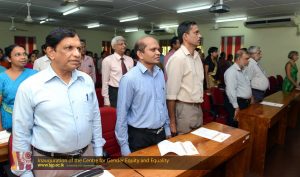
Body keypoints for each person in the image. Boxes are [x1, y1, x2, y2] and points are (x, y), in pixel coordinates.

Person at [11, 28, 105, 177]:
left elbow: (95, 119)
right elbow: (21, 134)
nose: (77, 54)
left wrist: (98, 152)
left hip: (86, 156)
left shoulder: (86, 80)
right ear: (51, 52)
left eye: (79, 48)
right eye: (69, 48)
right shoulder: (30, 86)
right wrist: (24, 173)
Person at [115, 36, 170, 156]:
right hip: (140, 137)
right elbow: (122, 115)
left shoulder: (159, 73)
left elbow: (162, 103)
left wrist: (167, 128)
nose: (158, 53)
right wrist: (124, 146)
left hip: (160, 134)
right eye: (153, 49)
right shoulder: (129, 79)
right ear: (140, 54)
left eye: (158, 49)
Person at [166, 21, 204, 135]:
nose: (200, 35)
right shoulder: (178, 59)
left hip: (198, 107)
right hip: (184, 109)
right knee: (186, 146)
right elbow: (171, 95)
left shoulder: (197, 57)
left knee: (198, 144)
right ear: (185, 36)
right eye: (196, 33)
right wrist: (172, 122)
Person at [0, 45, 37, 131]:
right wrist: (0, 127)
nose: (23, 57)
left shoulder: (35, 74)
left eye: (24, 54)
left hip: (32, 119)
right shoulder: (1, 77)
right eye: (18, 54)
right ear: (9, 59)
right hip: (9, 122)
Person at [102, 36, 134, 107]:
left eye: (125, 44)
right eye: (121, 44)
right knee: (117, 115)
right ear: (114, 47)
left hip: (129, 90)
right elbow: (105, 81)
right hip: (115, 92)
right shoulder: (107, 60)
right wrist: (106, 100)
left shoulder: (130, 59)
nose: (124, 46)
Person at [224, 49, 252, 127]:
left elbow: (246, 86)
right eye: (246, 59)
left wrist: (250, 96)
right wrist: (236, 107)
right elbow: (230, 91)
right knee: (233, 127)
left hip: (243, 102)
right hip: (236, 103)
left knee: (241, 126)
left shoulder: (243, 70)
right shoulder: (231, 72)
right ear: (238, 58)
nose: (248, 61)